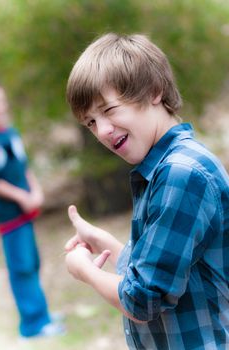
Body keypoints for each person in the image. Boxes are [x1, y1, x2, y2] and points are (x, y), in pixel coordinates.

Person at [64, 33, 229, 349]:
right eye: (90, 123)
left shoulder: (181, 174)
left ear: (154, 91)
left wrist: (84, 271)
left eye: (109, 109)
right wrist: (108, 244)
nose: (102, 131)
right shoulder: (168, 167)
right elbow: (168, 269)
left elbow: (143, 302)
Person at [0, 83, 65, 338]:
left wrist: (35, 191)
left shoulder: (11, 134)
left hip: (26, 213)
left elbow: (23, 168)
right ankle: (33, 324)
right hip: (9, 217)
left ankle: (41, 314)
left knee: (33, 262)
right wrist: (20, 196)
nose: (0, 107)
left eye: (1, 101)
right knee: (21, 266)